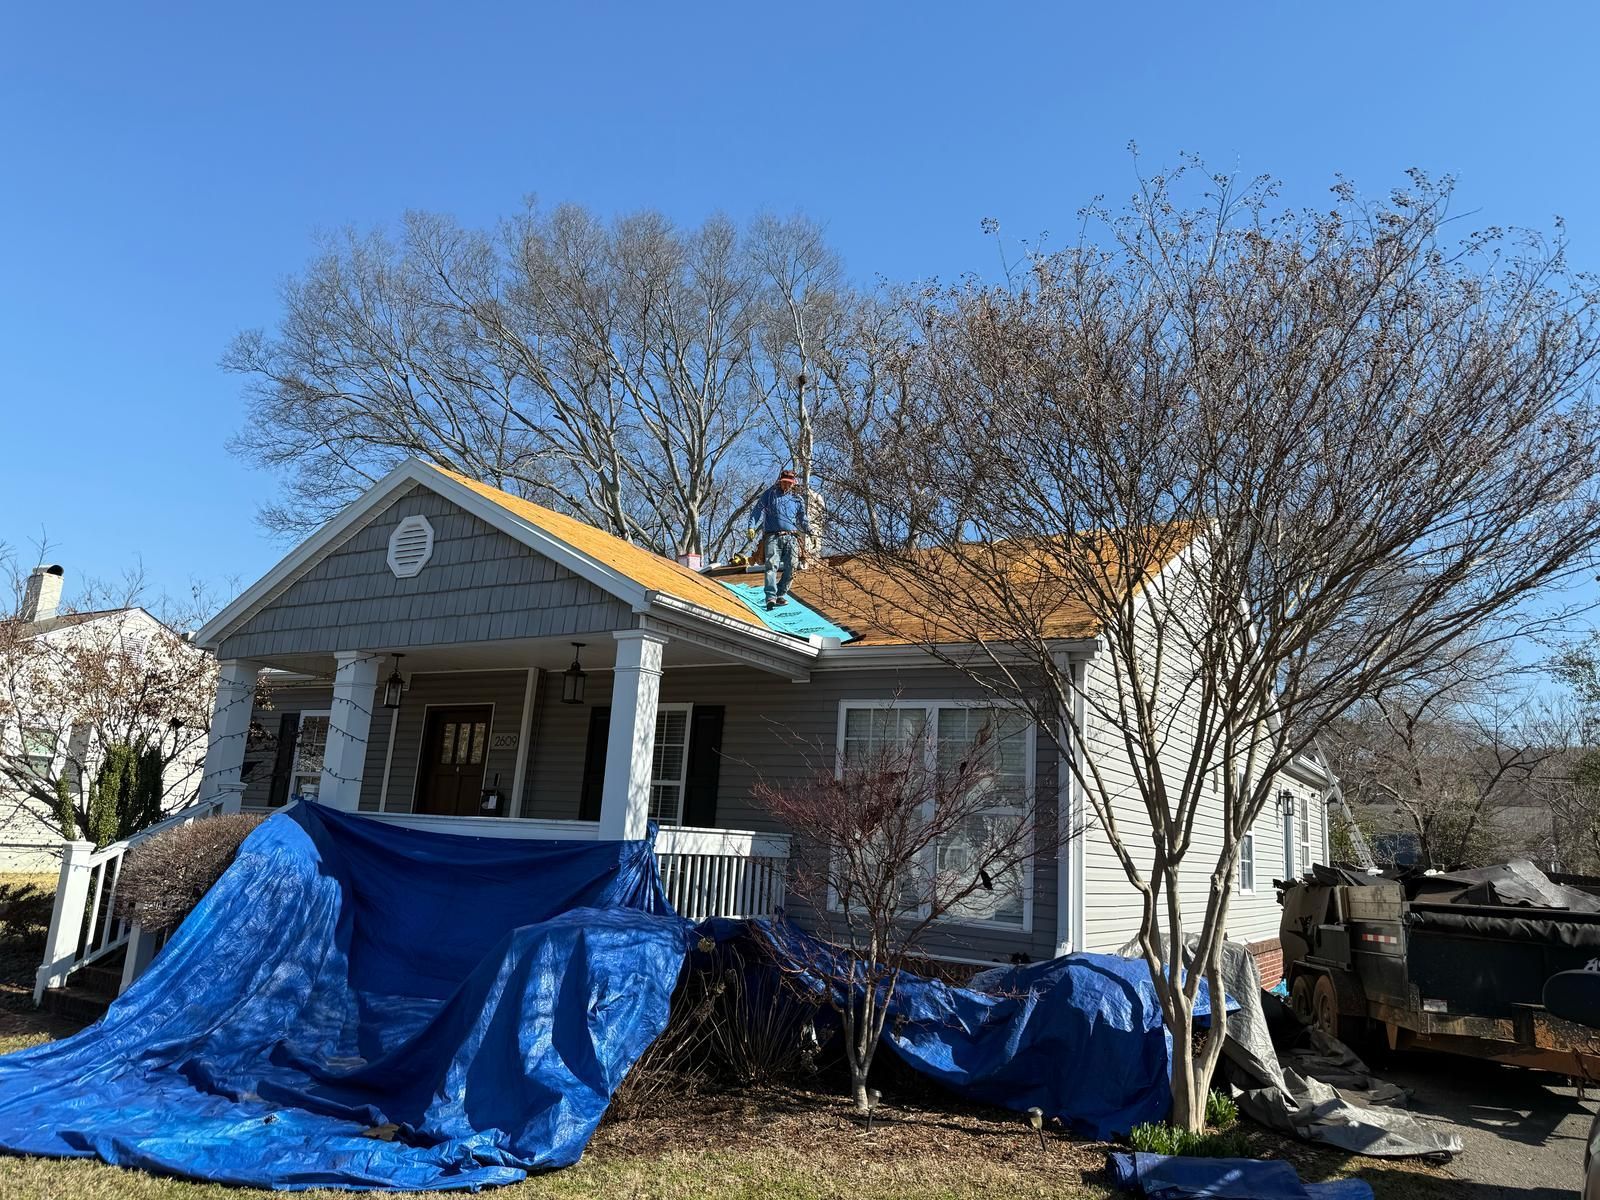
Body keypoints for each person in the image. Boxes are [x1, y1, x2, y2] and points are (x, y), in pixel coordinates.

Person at [750, 468, 811, 610]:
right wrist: (751, 526)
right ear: (780, 481)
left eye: (789, 483)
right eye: (784, 482)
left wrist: (811, 532)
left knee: (792, 566)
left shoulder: (797, 499)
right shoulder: (770, 495)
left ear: (793, 483)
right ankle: (770, 596)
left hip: (791, 537)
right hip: (772, 536)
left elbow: (803, 519)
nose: (786, 485)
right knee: (771, 565)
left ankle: (780, 593)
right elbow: (757, 510)